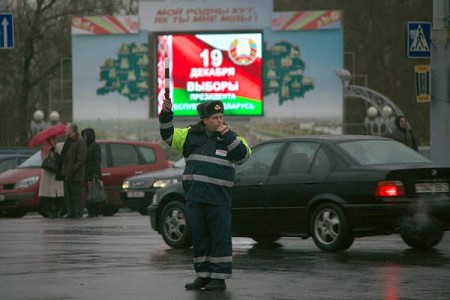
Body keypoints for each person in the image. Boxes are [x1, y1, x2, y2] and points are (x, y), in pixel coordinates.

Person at [159, 99, 251, 291]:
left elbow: (243, 155)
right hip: (195, 198)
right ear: (204, 120)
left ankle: (219, 278)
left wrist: (226, 133)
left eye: (221, 117)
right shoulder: (190, 135)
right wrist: (166, 114)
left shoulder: (231, 138)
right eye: (215, 117)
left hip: (219, 199)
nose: (220, 121)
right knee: (200, 238)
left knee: (220, 238)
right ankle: (203, 276)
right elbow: (168, 135)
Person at [60, 123, 87, 219]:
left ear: (72, 130)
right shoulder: (69, 141)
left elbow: (81, 159)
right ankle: (71, 211)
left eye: (67, 129)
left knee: (76, 194)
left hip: (76, 174)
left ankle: (78, 212)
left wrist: (72, 170)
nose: (65, 130)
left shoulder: (80, 141)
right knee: (68, 195)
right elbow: (65, 156)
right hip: (67, 173)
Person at [38, 136, 64, 218]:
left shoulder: (57, 147)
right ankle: (52, 211)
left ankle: (57, 211)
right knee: (50, 195)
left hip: (55, 174)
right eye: (54, 139)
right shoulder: (45, 147)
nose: (56, 140)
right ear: (51, 140)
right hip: (49, 174)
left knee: (57, 194)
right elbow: (45, 159)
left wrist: (54, 148)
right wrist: (51, 149)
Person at [81, 128, 102, 218]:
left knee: (94, 192)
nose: (84, 137)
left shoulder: (95, 146)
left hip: (93, 174)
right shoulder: (85, 146)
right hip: (86, 173)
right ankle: (91, 211)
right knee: (89, 193)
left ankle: (94, 211)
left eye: (86, 135)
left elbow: (97, 160)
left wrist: (95, 173)